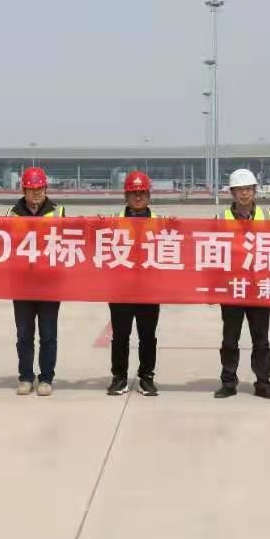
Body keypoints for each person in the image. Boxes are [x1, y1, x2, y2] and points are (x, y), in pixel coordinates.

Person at [217, 168, 270, 400]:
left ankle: (263, 383)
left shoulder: (269, 216)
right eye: (239, 190)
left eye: (248, 189)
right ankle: (228, 382)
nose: (244, 194)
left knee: (261, 339)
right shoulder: (221, 218)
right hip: (232, 287)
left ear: (255, 191)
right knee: (230, 339)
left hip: (260, 288)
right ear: (232, 193)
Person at [9, 166, 65, 397]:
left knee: (48, 335)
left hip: (49, 284)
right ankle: (25, 377)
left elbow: (75, 240)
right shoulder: (12, 214)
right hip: (22, 284)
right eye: (32, 189)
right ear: (23, 190)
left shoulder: (59, 212)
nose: (36, 193)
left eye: (40, 188)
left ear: (46, 188)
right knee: (24, 334)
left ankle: (46, 378)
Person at [108, 170, 161, 397]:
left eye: (142, 193)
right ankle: (119, 377)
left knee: (147, 336)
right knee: (120, 336)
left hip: (149, 288)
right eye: (134, 193)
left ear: (149, 195)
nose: (138, 197)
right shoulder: (113, 220)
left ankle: (146, 377)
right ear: (126, 196)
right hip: (121, 289)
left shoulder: (160, 221)